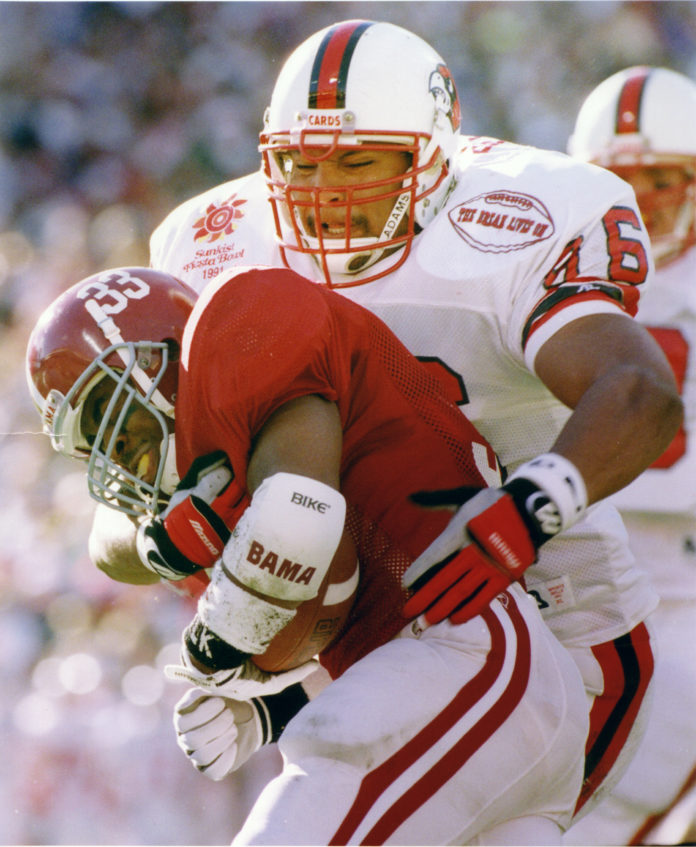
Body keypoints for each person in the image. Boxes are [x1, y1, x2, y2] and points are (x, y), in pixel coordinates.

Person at [147, 18, 683, 820]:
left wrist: (524, 513)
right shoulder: (215, 246)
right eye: (301, 163)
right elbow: (126, 511)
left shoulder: (512, 220)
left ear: (431, 157)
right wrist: (172, 536)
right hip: (380, 632)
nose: (326, 192)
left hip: (554, 614)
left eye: (358, 161)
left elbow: (640, 392)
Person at [26, 264, 589, 845]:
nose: (112, 451)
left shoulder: (241, 325)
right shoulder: (205, 484)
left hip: (470, 654)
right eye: (89, 442)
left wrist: (217, 642)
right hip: (463, 681)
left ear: (155, 360)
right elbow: (110, 549)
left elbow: (299, 515)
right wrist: (274, 706)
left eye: (102, 414)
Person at [563, 65, 696, 846]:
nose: (641, 201)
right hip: (577, 555)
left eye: (665, 178)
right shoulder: (547, 269)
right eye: (620, 180)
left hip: (686, 570)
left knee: (620, 793)